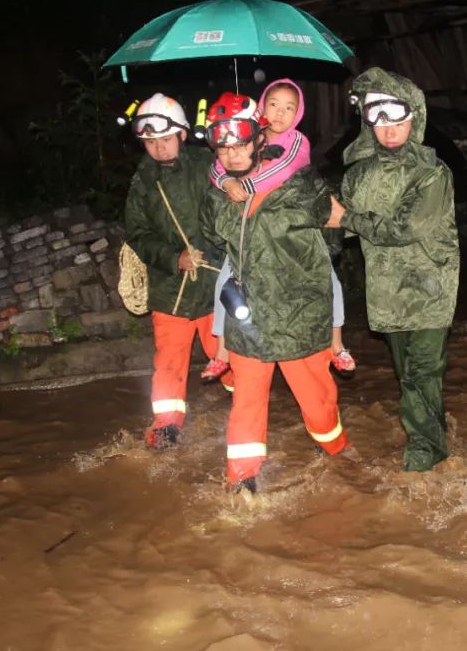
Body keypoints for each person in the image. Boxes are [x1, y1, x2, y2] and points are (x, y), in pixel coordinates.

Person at [200, 92, 352, 495]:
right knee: (247, 402)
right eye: (224, 147)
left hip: (299, 315)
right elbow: (211, 235)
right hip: (249, 318)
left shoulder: (300, 186)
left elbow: (336, 227)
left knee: (318, 404)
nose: (232, 154)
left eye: (240, 145)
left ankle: (337, 452)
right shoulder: (218, 195)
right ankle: (241, 478)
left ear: (258, 141)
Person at [327, 68, 460, 472]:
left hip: (430, 290)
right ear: (367, 122)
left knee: (422, 373)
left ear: (413, 118)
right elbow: (331, 225)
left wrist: (346, 218)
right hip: (386, 292)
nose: (388, 129)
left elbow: (406, 228)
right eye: (377, 118)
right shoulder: (358, 175)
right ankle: (435, 436)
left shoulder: (433, 173)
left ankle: (423, 459)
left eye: (396, 118)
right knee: (411, 379)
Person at [201, 79, 356, 382]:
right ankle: (221, 352)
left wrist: (244, 183)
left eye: (289, 108)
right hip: (251, 236)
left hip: (294, 231)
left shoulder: (296, 140)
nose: (280, 114)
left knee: (328, 279)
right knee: (225, 282)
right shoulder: (245, 137)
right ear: (261, 107)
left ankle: (337, 344)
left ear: (299, 115)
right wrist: (227, 182)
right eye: (273, 105)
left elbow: (283, 169)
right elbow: (215, 167)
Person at [121, 93, 230, 449]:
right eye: (150, 141)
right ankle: (166, 426)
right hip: (171, 288)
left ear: (182, 134)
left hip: (214, 282)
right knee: (168, 362)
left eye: (165, 139)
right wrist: (173, 258)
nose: (158, 147)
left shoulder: (208, 163)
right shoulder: (143, 180)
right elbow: (137, 233)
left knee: (230, 356)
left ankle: (246, 406)